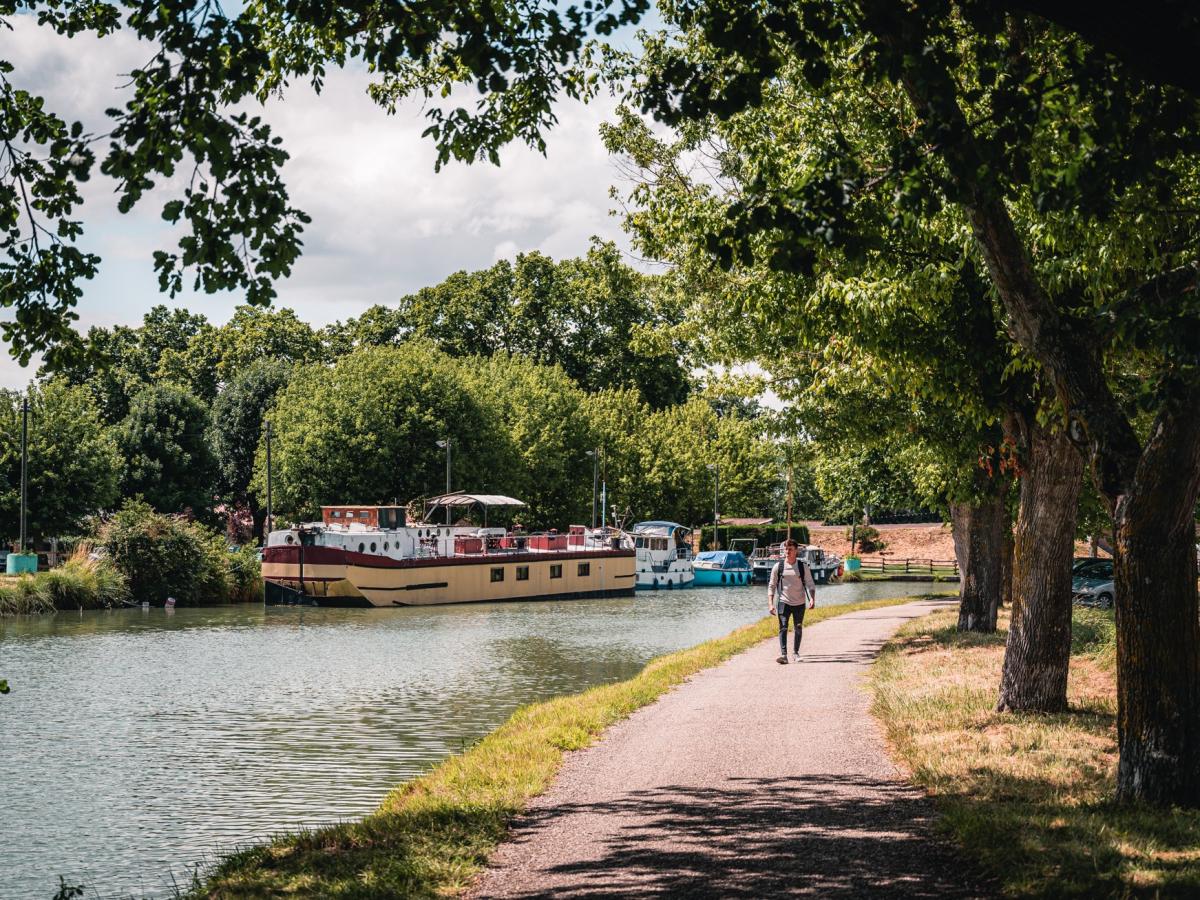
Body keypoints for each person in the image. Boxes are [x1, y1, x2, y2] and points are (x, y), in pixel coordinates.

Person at [768, 539, 816, 664]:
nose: (787, 551)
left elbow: (810, 584)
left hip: (799, 603)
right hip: (783, 602)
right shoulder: (778, 567)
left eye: (790, 549)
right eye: (786, 549)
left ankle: (795, 653)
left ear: (796, 551)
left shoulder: (802, 566)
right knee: (783, 627)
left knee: (798, 628)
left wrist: (812, 599)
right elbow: (772, 585)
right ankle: (784, 655)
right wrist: (770, 604)